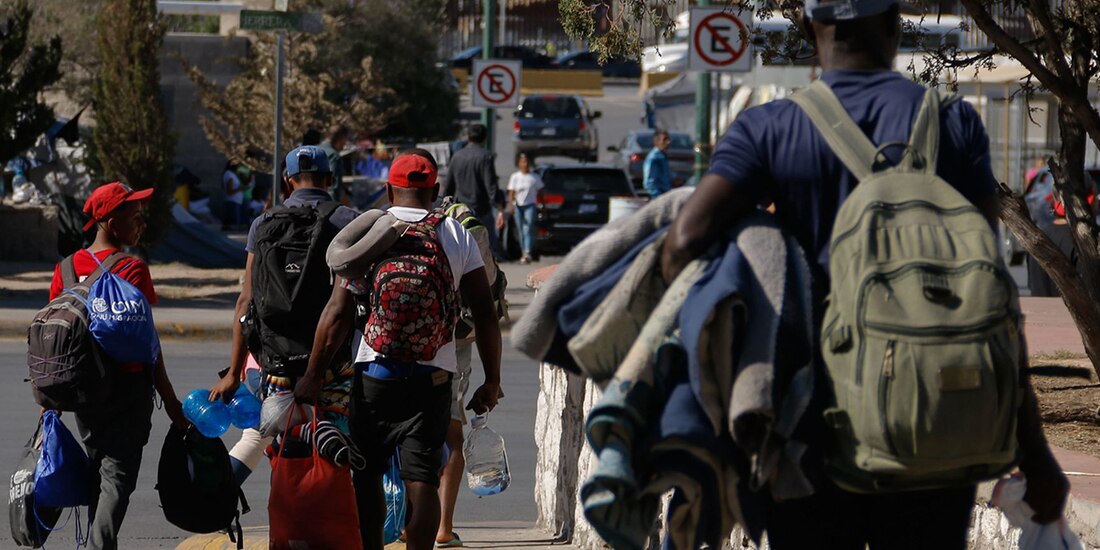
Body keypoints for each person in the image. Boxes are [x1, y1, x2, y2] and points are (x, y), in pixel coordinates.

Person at [658, 1, 1069, 547]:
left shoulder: (770, 129)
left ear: (807, 26)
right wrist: (1035, 454)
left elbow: (683, 242)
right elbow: (991, 294)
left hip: (811, 440)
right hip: (934, 430)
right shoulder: (951, 123)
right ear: (895, 21)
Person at [296, 150, 503, 550]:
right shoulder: (455, 233)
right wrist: (491, 380)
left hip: (375, 374)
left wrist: (314, 373)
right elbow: (485, 312)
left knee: (369, 473)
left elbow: (338, 312)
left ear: (389, 190)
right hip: (434, 378)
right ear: (436, 191)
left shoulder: (373, 231)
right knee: (422, 480)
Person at [47, 182, 188, 550]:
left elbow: (58, 338)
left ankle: (98, 544)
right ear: (110, 221)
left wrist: (55, 400)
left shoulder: (64, 269)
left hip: (83, 392)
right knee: (117, 479)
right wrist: (171, 402)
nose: (141, 224)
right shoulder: (132, 269)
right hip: (128, 391)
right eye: (135, 216)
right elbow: (148, 345)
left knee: (100, 474)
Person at [208, 145, 360, 484]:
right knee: (336, 442)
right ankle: (332, 521)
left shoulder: (263, 223)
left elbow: (245, 300)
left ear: (288, 181)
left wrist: (234, 373)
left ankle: (225, 502)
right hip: (334, 364)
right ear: (330, 179)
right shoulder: (348, 221)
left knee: (264, 437)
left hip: (274, 362)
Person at [443, 124, 504, 257]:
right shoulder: (485, 157)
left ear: (468, 137)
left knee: (461, 251)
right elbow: (491, 187)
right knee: (485, 252)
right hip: (481, 211)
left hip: (461, 212)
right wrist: (500, 208)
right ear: (485, 138)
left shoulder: (457, 156)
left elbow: (449, 187)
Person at [506, 153, 544, 264]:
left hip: (530, 205)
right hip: (518, 206)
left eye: (527, 161)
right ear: (519, 164)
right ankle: (524, 252)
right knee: (520, 230)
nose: (525, 164)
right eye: (523, 161)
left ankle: (527, 252)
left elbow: (541, 191)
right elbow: (511, 192)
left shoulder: (534, 177)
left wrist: (542, 205)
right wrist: (510, 205)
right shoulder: (515, 177)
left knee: (528, 229)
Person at [320, 124, 351, 203]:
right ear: (341, 138)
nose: (345, 144)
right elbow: (333, 187)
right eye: (345, 139)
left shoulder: (315, 150)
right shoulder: (334, 156)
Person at [643, 130, 674, 198]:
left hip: (666, 195)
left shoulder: (662, 156)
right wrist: (658, 198)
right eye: (664, 139)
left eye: (668, 139)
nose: (668, 142)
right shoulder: (654, 158)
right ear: (656, 142)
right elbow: (649, 183)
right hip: (660, 197)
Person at [222, 160, 247, 229]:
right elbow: (229, 191)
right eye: (238, 166)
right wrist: (240, 189)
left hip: (236, 201)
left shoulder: (232, 174)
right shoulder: (229, 174)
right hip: (233, 201)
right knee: (234, 224)